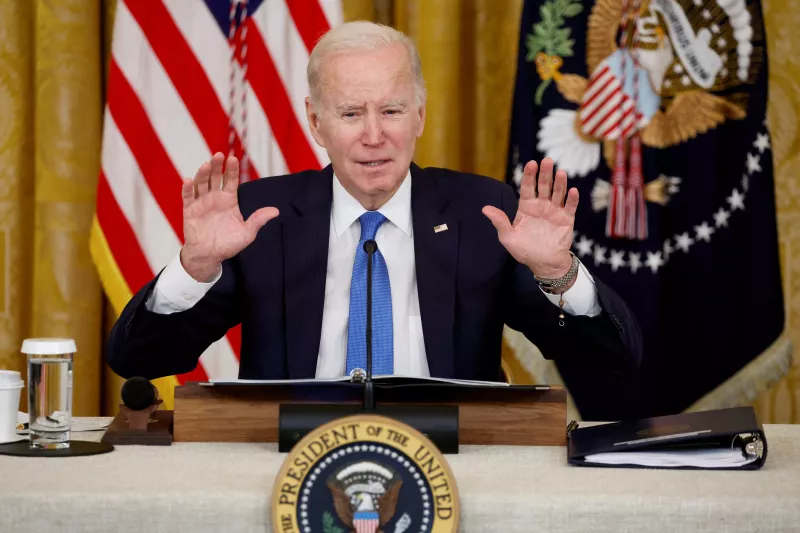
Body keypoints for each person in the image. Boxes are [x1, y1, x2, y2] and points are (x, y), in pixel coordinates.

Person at [107, 21, 641, 419]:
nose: (373, 136)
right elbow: (138, 357)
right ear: (316, 121)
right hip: (289, 462)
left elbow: (612, 360)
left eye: (391, 111)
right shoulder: (261, 219)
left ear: (420, 115)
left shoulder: (485, 214)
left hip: (452, 463)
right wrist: (195, 268)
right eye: (350, 113)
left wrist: (558, 275)